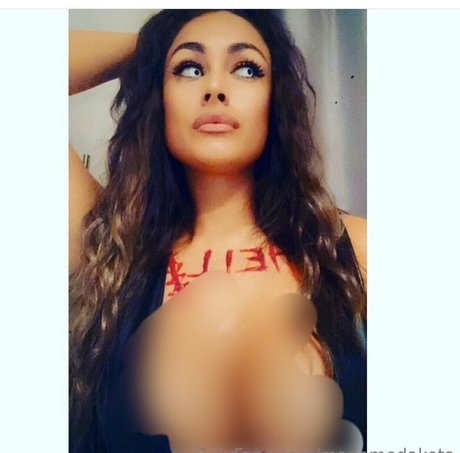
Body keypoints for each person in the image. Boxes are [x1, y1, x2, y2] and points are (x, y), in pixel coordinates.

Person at [69, 9, 367, 453]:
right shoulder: (108, 246)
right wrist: (155, 42)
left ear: (276, 98)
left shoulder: (355, 247)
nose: (214, 87)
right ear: (159, 97)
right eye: (189, 69)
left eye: (246, 68)